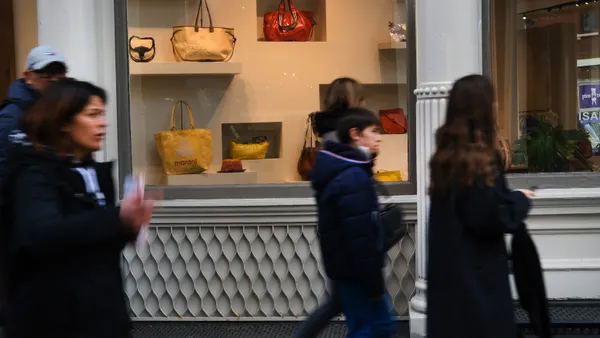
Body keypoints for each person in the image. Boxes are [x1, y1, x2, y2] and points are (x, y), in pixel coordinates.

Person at [1, 78, 154, 338]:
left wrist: (128, 227)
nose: (103, 123)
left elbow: (93, 241)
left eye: (102, 114)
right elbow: (41, 234)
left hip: (100, 314)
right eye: (93, 115)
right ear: (63, 122)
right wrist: (116, 218)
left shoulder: (93, 172)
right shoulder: (33, 173)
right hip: (52, 318)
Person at [426, 74, 535, 338]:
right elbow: (489, 217)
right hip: (477, 284)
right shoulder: (479, 160)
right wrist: (520, 200)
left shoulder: (445, 157)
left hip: (451, 281)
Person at [311, 108, 395, 338]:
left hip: (348, 269)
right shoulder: (353, 176)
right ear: (355, 134)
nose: (379, 137)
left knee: (367, 327)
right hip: (357, 272)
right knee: (376, 328)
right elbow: (360, 236)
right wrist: (373, 283)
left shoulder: (347, 170)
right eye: (374, 131)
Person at [295, 77, 366, 338]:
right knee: (349, 302)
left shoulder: (329, 131)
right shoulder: (344, 134)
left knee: (340, 301)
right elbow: (350, 176)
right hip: (345, 229)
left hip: (337, 226)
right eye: (359, 97)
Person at [0, 45, 67, 184]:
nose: (54, 79)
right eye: (46, 72)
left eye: (59, 72)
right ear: (28, 76)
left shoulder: (61, 110)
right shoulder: (12, 117)